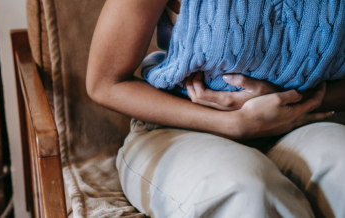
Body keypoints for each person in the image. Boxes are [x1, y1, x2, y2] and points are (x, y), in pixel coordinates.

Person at [86, 0, 345, 217]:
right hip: (181, 129)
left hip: (301, 120)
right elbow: (104, 83)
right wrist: (233, 124)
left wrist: (288, 99)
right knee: (247, 192)